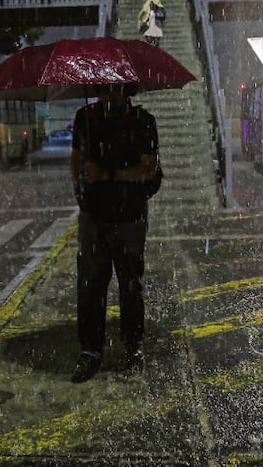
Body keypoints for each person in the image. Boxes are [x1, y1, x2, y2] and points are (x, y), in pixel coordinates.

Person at [69, 83, 160, 383]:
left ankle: (132, 345)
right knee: (90, 286)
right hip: (93, 217)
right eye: (104, 91)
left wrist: (110, 175)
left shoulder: (143, 122)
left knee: (130, 284)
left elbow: (148, 169)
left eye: (116, 92)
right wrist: (80, 189)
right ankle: (91, 350)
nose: (110, 98)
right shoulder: (85, 118)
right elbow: (76, 157)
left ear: (127, 93)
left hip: (129, 217)